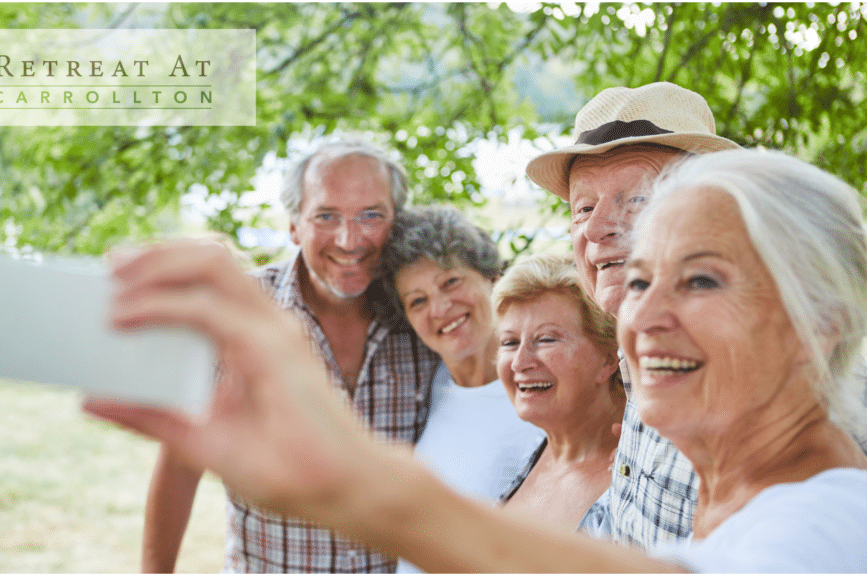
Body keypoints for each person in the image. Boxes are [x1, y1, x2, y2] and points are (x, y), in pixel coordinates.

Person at [85, 148, 867, 572]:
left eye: (701, 279)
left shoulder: (829, 519)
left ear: (820, 320)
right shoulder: (723, 494)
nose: (643, 316)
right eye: (635, 280)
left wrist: (356, 483)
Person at [139, 140, 441, 573]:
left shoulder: (426, 315)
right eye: (326, 216)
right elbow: (180, 463)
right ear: (295, 225)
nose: (349, 238)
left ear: (397, 222)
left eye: (371, 215)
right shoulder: (237, 313)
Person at [524, 81, 740, 549]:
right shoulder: (640, 350)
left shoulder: (767, 373)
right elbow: (622, 529)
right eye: (583, 207)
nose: (598, 228)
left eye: (637, 198)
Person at [379, 207, 544, 573]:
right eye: (417, 300)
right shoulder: (424, 387)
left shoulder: (542, 391)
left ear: (492, 278)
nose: (439, 308)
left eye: (451, 282)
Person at [491, 254, 623, 537]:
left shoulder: (636, 478)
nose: (519, 362)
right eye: (510, 342)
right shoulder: (537, 450)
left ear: (609, 359)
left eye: (547, 339)